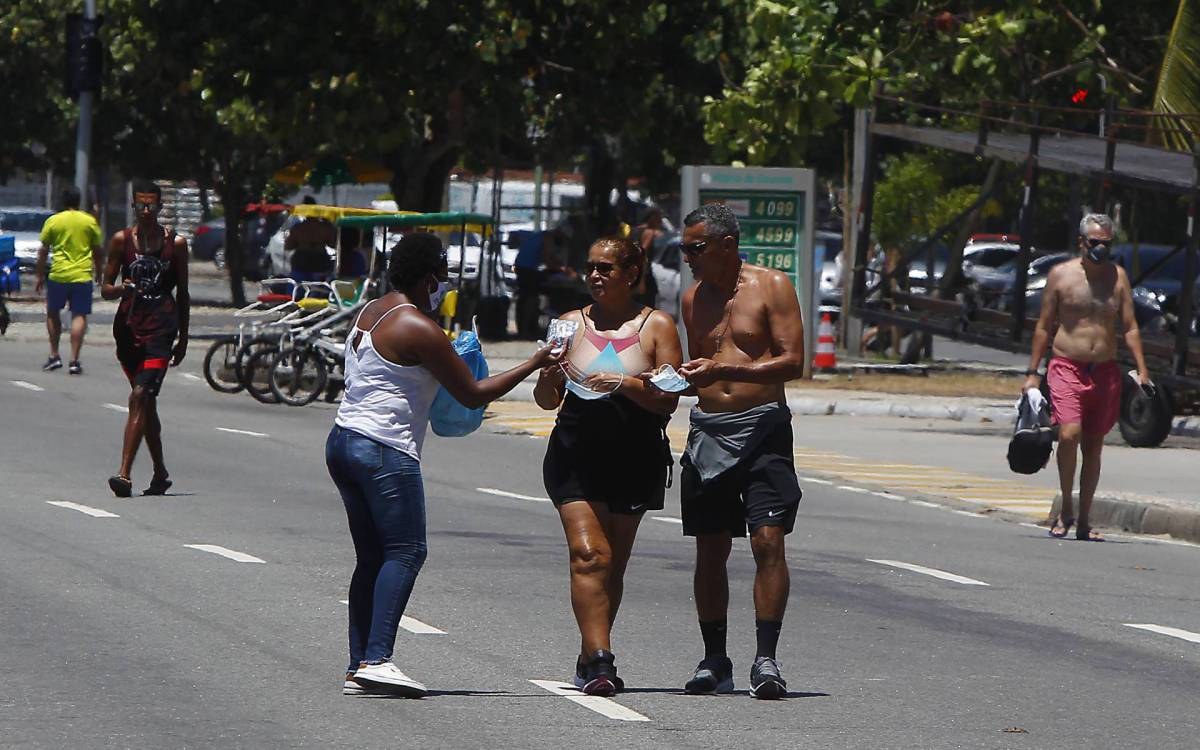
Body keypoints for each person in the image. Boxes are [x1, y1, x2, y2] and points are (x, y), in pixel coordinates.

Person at [328, 232, 561, 697]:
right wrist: (535, 361)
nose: (446, 285)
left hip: (344, 440)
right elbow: (472, 393)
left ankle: (359, 662)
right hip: (384, 450)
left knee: (372, 557)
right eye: (443, 276)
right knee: (406, 552)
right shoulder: (418, 326)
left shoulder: (375, 310)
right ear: (428, 275)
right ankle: (377, 658)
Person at [666, 202, 805, 700]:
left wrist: (727, 372)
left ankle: (765, 658)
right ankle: (714, 659)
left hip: (763, 428)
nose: (687, 257)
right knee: (710, 548)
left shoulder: (773, 287)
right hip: (708, 431)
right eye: (684, 248)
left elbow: (793, 363)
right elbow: (697, 365)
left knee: (768, 541)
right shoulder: (691, 299)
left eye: (695, 248)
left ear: (727, 245)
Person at [533, 236, 682, 696]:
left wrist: (625, 382)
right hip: (575, 452)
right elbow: (545, 401)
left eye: (607, 269)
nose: (596, 276)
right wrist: (549, 376)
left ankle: (588, 653)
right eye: (591, 267)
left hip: (634, 455)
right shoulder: (567, 324)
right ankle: (602, 661)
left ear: (631, 273)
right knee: (590, 555)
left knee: (613, 564)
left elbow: (668, 399)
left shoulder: (656, 326)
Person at [1023, 213, 1151, 542]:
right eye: (1095, 243)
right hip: (1066, 366)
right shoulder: (1061, 276)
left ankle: (1083, 519)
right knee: (1069, 434)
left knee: (1094, 445)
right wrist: (1033, 373)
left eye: (1106, 244)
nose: (1100, 249)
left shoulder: (1117, 277)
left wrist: (1142, 369)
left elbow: (1130, 327)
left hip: (1105, 370)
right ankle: (1066, 508)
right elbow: (1044, 326)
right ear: (1082, 242)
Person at [100, 180, 190, 498]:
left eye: (152, 205)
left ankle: (124, 474)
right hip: (127, 332)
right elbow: (105, 288)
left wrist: (184, 337)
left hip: (161, 330)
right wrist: (121, 289)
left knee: (139, 396)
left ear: (161, 207)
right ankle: (161, 472)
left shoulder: (175, 244)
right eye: (141, 205)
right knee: (146, 403)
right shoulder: (121, 241)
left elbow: (184, 293)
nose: (147, 211)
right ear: (134, 206)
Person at [36, 186, 103, 374]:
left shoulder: (53, 221)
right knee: (79, 315)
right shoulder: (89, 222)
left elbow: (43, 251)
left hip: (58, 274)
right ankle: (74, 360)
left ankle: (54, 354)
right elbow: (98, 250)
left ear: (63, 202)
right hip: (82, 275)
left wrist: (39, 274)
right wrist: (99, 271)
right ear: (79, 201)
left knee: (52, 312)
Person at [286, 195, 336, 281]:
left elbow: (288, 246)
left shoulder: (298, 228)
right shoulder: (325, 227)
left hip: (302, 259)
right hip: (320, 260)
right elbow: (332, 244)